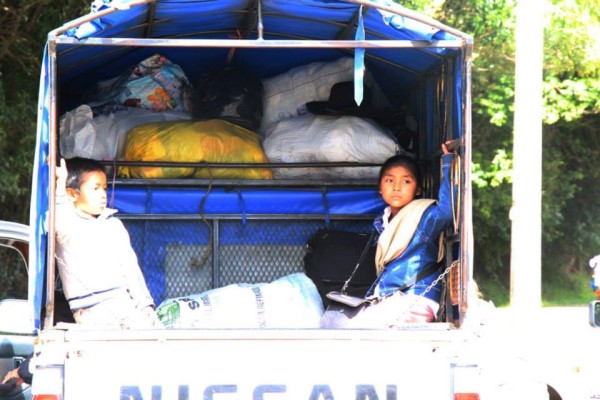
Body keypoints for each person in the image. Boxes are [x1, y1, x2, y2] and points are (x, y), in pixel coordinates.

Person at [320, 142, 455, 328]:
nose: (397, 187)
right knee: (332, 322)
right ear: (380, 187)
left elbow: (447, 212)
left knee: (348, 330)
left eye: (406, 181)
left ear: (418, 189)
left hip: (415, 298)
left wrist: (448, 163)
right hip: (391, 298)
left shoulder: (423, 216)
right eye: (389, 180)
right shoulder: (382, 220)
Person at [55, 157, 162, 328]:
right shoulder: (69, 224)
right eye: (95, 188)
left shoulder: (113, 224)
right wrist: (60, 186)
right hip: (91, 311)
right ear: (72, 193)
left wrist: (146, 306)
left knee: (156, 335)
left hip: (124, 304)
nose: (103, 195)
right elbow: (58, 218)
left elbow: (130, 268)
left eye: (104, 188)